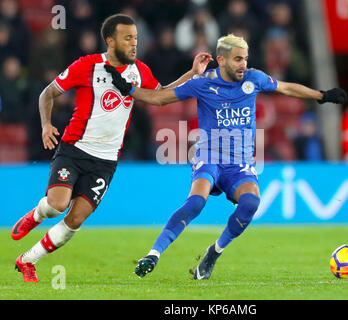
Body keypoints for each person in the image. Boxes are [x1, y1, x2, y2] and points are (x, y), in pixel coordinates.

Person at [105, 34, 347, 280]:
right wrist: (128, 89)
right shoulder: (202, 83)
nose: (243, 64)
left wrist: (322, 95)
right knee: (196, 203)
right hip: (209, 156)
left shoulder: (254, 79)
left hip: (240, 163)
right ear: (221, 60)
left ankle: (214, 252)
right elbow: (159, 98)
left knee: (251, 203)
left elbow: (286, 88)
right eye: (238, 59)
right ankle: (153, 254)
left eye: (245, 58)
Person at [11, 13, 212, 283]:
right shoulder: (87, 65)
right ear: (110, 40)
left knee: (76, 219)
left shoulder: (139, 70)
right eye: (127, 38)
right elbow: (48, 93)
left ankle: (27, 260)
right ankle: (36, 215)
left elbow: (161, 96)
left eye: (136, 39)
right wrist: (46, 125)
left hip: (105, 161)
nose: (133, 44)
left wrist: (192, 74)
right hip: (75, 149)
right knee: (57, 205)